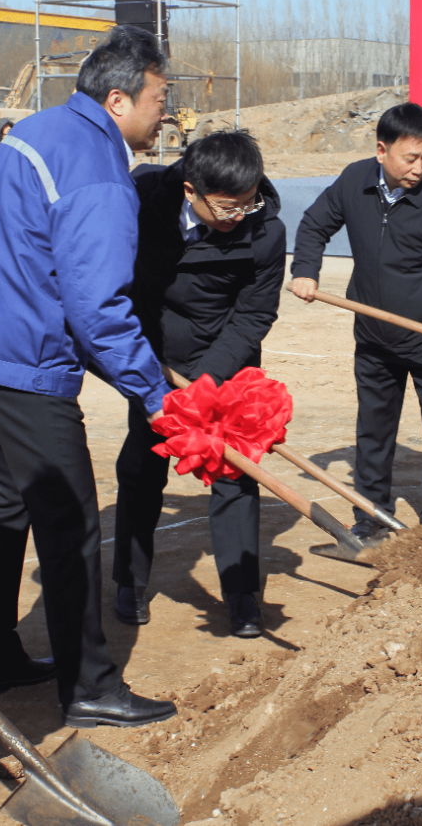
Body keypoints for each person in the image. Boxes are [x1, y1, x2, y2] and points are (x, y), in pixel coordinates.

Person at [0, 26, 176, 727]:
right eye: (158, 97)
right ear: (119, 98)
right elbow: (98, 308)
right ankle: (88, 684)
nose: (164, 111)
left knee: (2, 513)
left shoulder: (39, 131)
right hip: (30, 366)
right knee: (71, 526)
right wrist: (157, 394)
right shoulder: (97, 170)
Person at [113, 130, 286, 638]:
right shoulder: (143, 201)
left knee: (234, 474)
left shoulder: (265, 231)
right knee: (142, 468)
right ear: (191, 190)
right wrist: (140, 360)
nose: (240, 215)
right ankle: (128, 580)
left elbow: (254, 314)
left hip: (225, 369)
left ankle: (241, 595)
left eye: (248, 202)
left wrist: (209, 381)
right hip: (153, 361)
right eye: (227, 206)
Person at [289, 102, 422, 539]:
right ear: (382, 150)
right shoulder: (355, 180)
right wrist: (305, 270)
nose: (419, 168)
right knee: (374, 430)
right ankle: (370, 517)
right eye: (410, 158)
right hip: (373, 334)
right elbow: (315, 224)